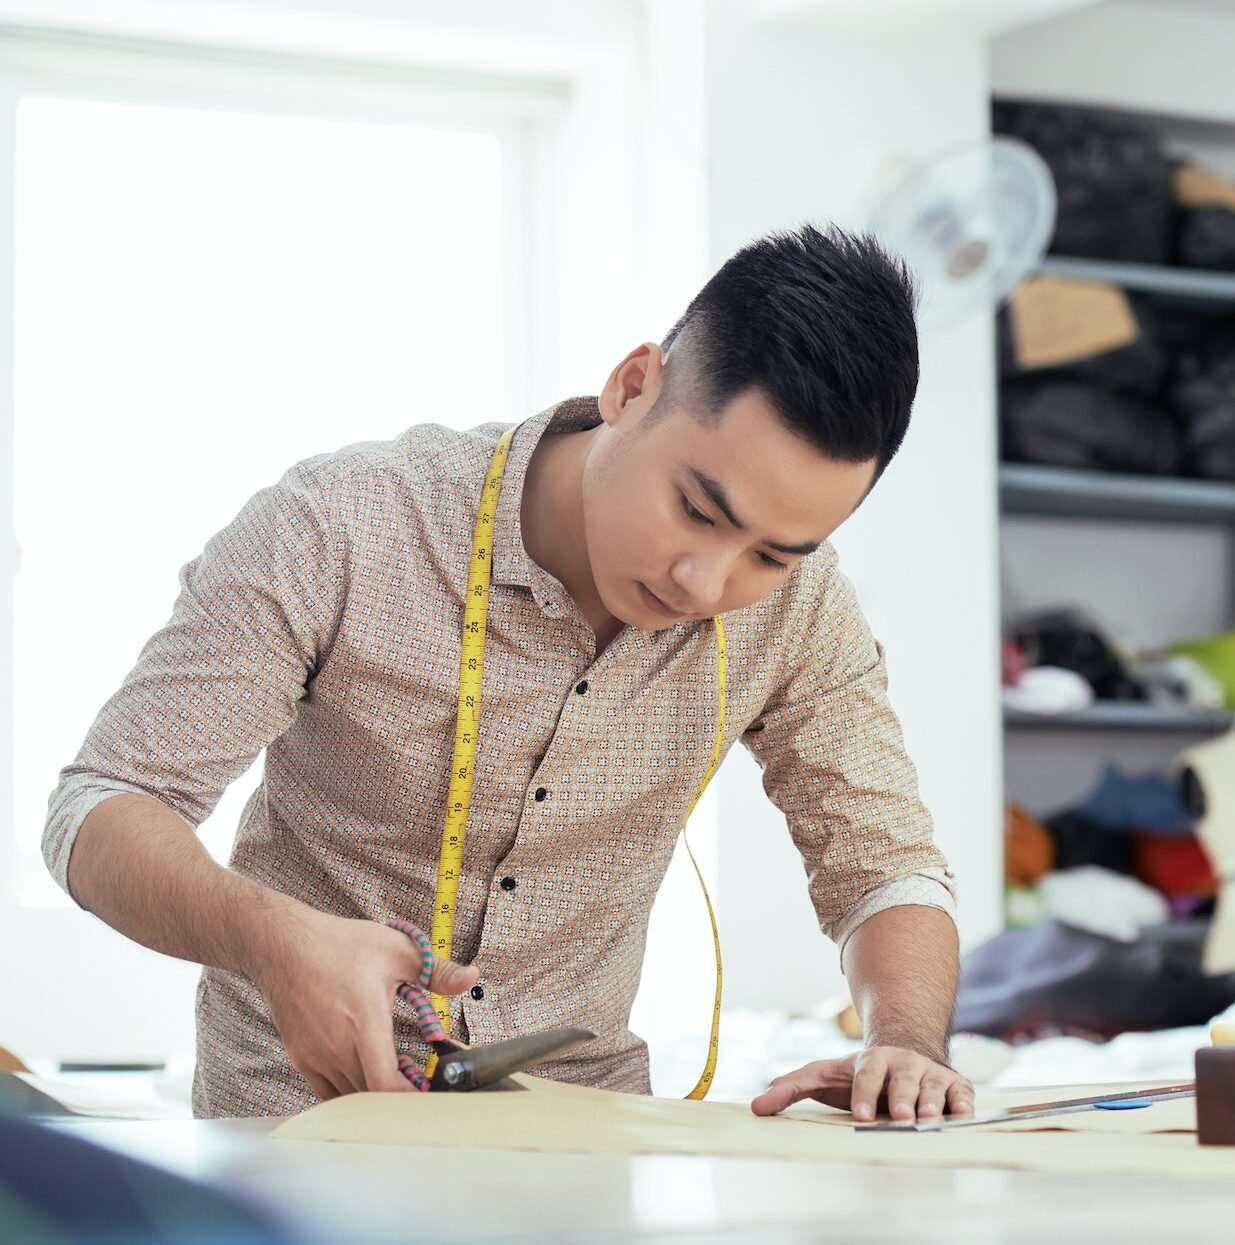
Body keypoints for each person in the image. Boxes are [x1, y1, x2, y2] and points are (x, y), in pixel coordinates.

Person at [43, 222, 975, 1123]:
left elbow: (884, 867)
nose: (705, 581)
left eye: (771, 554)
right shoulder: (344, 525)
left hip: (581, 1139)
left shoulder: (801, 607)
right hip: (306, 1115)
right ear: (632, 384)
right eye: (696, 508)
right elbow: (102, 804)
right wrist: (274, 940)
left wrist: (906, 1041)